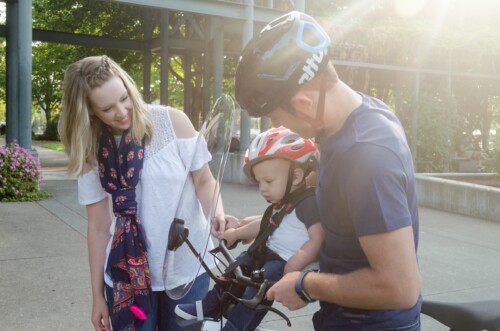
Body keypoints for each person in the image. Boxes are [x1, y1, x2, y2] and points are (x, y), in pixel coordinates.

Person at [234, 11, 422, 330]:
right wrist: (253, 225)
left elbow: (400, 288)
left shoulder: (367, 155)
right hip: (344, 317)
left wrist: (306, 285)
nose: (279, 126)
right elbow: (337, 212)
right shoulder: (351, 119)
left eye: (278, 118)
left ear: (306, 104)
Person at [58, 55, 235, 331]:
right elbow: (99, 227)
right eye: (107, 108)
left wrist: (218, 213)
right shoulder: (91, 150)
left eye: (124, 97)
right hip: (126, 280)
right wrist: (96, 296)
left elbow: (203, 181)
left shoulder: (173, 122)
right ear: (90, 111)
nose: (121, 111)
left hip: (187, 270)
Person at [174, 126, 324, 331]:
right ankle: (209, 306)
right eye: (259, 182)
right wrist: (236, 233)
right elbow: (266, 225)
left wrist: (294, 266)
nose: (262, 188)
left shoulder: (308, 203)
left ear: (296, 177)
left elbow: (317, 237)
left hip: (284, 261)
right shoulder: (281, 204)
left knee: (256, 291)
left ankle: (236, 327)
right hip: (265, 253)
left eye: (268, 181)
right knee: (239, 265)